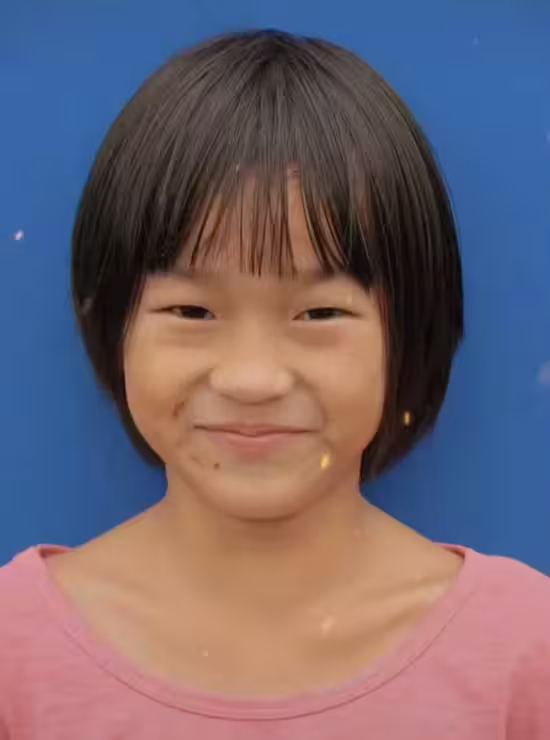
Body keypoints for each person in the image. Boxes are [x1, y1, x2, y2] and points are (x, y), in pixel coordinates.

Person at [0, 29, 549, 740]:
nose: (251, 378)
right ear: (113, 326)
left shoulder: (524, 652)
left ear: (410, 332)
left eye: (319, 313)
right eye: (192, 311)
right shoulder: (15, 655)